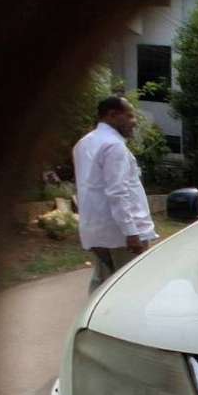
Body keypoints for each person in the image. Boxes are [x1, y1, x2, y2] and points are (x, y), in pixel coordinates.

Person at [72, 96, 157, 292]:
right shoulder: (114, 146)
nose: (134, 121)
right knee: (131, 290)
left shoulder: (83, 144)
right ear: (112, 115)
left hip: (96, 232)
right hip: (122, 236)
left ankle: (91, 321)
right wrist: (131, 232)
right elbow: (118, 192)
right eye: (129, 116)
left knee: (103, 285)